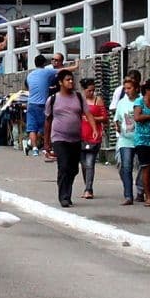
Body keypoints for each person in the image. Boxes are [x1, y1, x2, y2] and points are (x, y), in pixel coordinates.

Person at [46, 67, 92, 209]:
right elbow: (48, 121)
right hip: (59, 137)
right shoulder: (53, 99)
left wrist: (95, 128)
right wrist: (46, 142)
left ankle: (68, 192)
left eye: (72, 79)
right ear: (61, 82)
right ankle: (64, 197)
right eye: (67, 80)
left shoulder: (78, 97)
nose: (71, 82)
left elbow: (88, 114)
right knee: (64, 166)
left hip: (75, 138)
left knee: (73, 169)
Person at [112, 75, 144, 205]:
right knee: (126, 167)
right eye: (125, 88)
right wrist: (118, 127)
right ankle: (128, 195)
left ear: (136, 88)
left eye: (129, 88)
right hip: (126, 139)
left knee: (144, 166)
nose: (127, 91)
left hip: (142, 138)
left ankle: (141, 190)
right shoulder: (122, 102)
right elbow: (117, 119)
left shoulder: (142, 101)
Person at [23, 54, 58, 159]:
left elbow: (28, 86)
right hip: (43, 105)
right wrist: (76, 65)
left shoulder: (30, 75)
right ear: (44, 63)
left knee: (32, 128)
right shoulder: (46, 72)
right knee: (44, 128)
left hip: (31, 104)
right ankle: (36, 145)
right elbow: (63, 70)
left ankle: (33, 147)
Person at [77, 80, 104, 200]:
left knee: (90, 163)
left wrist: (91, 118)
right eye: (89, 90)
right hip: (80, 135)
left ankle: (88, 189)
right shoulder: (79, 101)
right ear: (83, 90)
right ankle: (87, 186)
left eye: (93, 90)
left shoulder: (98, 100)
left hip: (94, 135)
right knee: (83, 164)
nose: (92, 92)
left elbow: (104, 117)